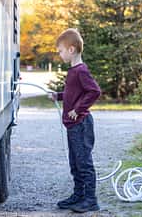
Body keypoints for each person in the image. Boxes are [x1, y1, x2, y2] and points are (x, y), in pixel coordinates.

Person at [49, 28, 101, 213]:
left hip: (81, 125)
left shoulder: (81, 70)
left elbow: (94, 91)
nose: (60, 55)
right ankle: (78, 195)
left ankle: (90, 199)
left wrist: (78, 110)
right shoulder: (73, 71)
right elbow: (74, 93)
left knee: (83, 162)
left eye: (61, 51)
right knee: (75, 162)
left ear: (71, 50)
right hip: (73, 126)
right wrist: (59, 95)